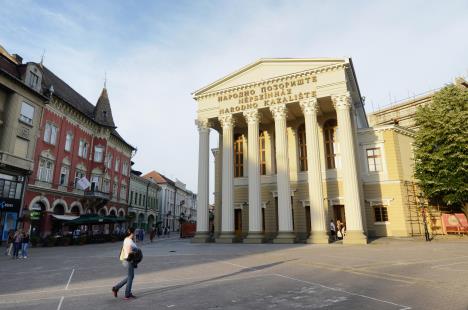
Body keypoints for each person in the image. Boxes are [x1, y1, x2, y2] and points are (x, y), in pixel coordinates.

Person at [112, 227, 138, 299]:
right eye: (135, 232)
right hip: (130, 260)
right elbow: (130, 251)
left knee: (130, 276)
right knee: (130, 277)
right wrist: (136, 253)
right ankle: (127, 294)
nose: (135, 234)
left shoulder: (127, 239)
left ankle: (116, 288)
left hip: (129, 259)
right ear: (132, 233)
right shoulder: (129, 241)